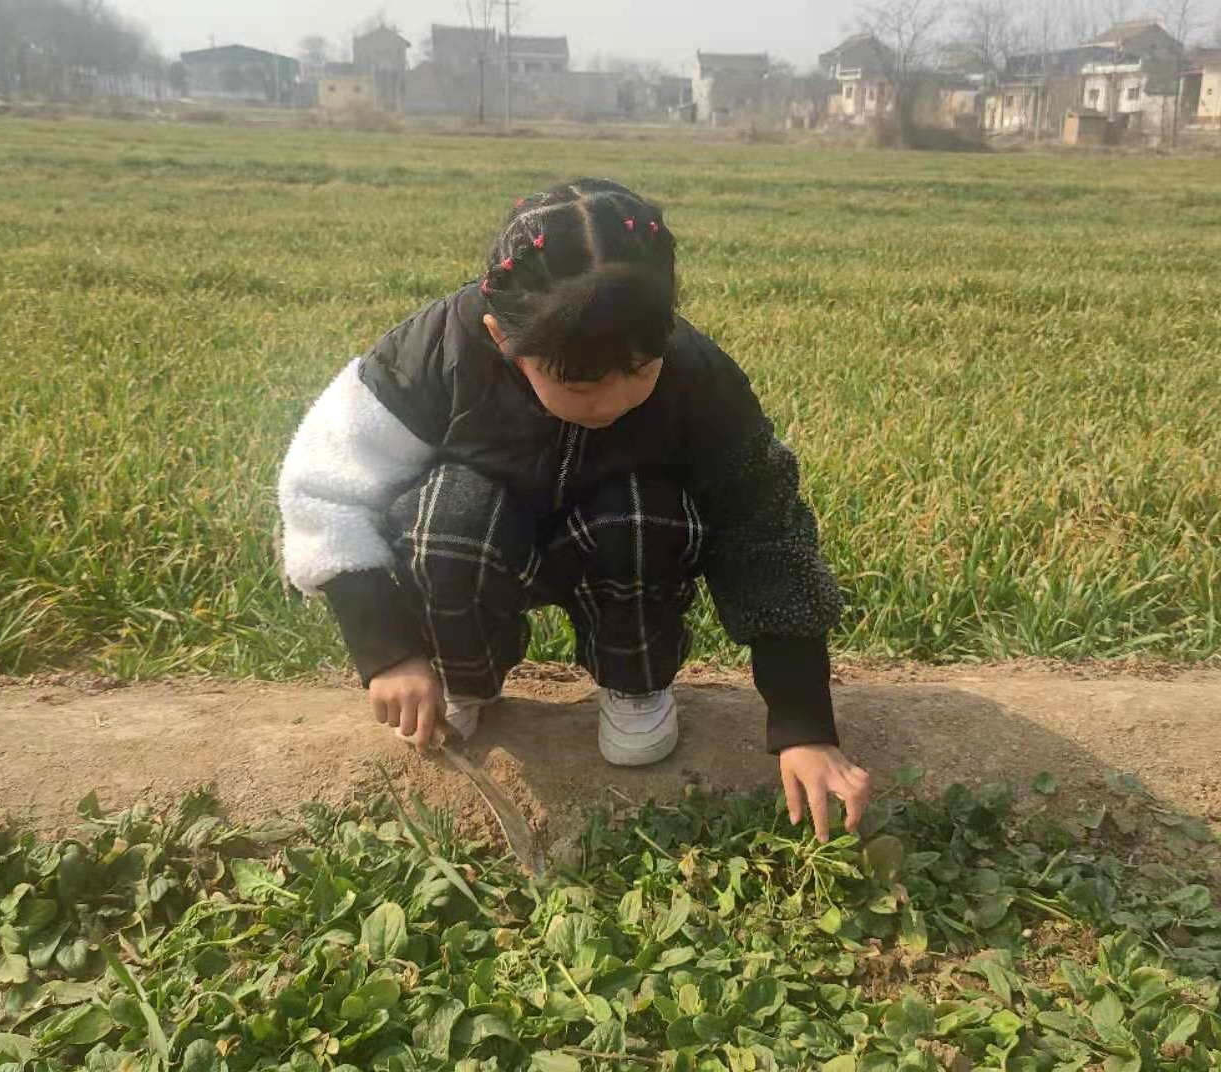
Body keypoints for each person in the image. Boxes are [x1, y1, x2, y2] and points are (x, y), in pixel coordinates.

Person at [279, 178, 870, 840]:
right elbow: (325, 491)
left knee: (643, 512)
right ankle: (461, 672)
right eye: (580, 383)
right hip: (481, 544)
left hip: (626, 545)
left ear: (668, 328)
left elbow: (766, 535)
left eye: (641, 370)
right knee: (450, 516)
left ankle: (635, 681)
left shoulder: (701, 380)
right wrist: (386, 652)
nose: (610, 402)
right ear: (503, 336)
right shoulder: (432, 356)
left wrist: (804, 724)